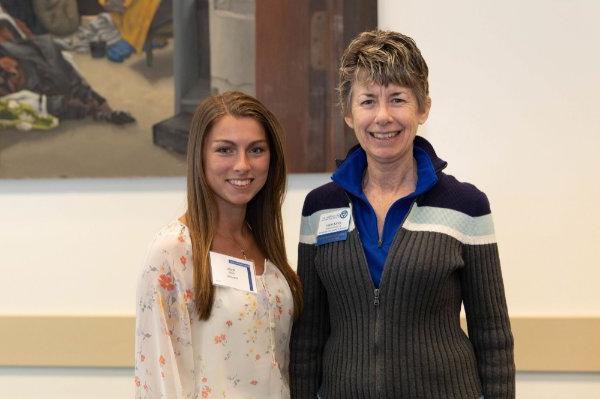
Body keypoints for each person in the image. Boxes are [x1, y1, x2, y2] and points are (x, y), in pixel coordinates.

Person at [290, 30, 515, 398]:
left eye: (397, 99)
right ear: (349, 113)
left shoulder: (466, 206)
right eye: (367, 101)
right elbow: (308, 337)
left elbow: (492, 337)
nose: (383, 117)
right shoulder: (320, 207)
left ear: (422, 108)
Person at [135, 91, 303, 399]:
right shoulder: (173, 250)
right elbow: (158, 379)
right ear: (200, 156)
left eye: (256, 150)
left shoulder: (266, 247)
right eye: (225, 150)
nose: (242, 165)